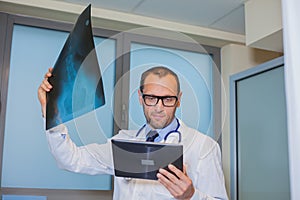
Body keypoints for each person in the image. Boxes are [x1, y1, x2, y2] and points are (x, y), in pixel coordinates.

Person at [38, 66, 228, 200]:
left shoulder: (203, 147)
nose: (159, 108)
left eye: (168, 99)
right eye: (151, 98)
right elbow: (70, 159)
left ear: (179, 99)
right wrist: (52, 112)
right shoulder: (123, 142)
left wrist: (191, 196)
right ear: (140, 97)